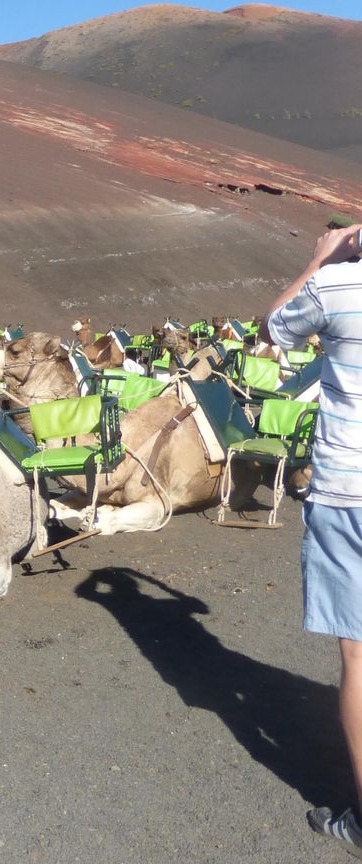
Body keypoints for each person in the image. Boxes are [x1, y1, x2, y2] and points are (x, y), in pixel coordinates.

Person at [260, 224, 362, 855]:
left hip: (348, 489)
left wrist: (318, 259)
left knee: (360, 657)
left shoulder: (335, 284)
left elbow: (274, 329)